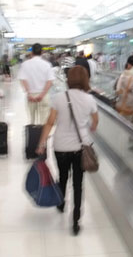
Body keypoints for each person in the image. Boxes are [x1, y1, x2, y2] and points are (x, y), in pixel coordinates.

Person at [36, 65, 98, 236]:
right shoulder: (89, 100)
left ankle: (61, 203)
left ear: (69, 79)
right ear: (85, 79)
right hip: (81, 147)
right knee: (78, 184)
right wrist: (89, 128)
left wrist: (41, 143)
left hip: (61, 146)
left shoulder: (58, 98)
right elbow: (95, 122)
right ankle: (76, 220)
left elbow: (49, 122)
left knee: (63, 177)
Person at [17, 43, 55, 124]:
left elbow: (23, 80)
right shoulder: (47, 65)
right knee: (44, 121)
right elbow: (50, 81)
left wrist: (29, 93)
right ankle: (43, 136)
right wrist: (42, 95)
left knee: (32, 120)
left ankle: (32, 135)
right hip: (44, 96)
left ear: (32, 52)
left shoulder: (25, 64)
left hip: (31, 96)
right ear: (41, 52)